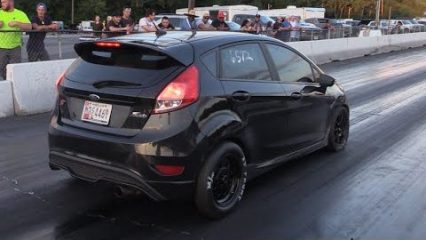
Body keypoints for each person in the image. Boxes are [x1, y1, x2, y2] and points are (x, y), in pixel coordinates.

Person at [0, 0, 32, 80]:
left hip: (15, 47)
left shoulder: (20, 14)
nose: (2, 4)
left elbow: (29, 27)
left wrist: (18, 23)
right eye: (1, 2)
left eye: (4, 2)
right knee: (3, 70)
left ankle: (13, 86)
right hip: (1, 47)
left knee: (15, 70)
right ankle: (7, 84)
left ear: (11, 2)